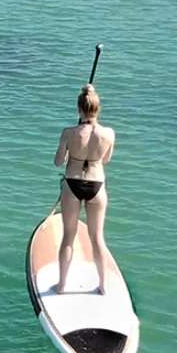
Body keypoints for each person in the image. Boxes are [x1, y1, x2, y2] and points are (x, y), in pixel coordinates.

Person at [51, 83, 115, 294]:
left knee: (68, 236)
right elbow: (105, 160)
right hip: (97, 185)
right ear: (98, 109)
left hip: (72, 184)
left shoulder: (68, 132)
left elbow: (58, 162)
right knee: (97, 238)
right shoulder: (109, 134)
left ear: (79, 109)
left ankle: (62, 285)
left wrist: (71, 151)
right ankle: (103, 286)